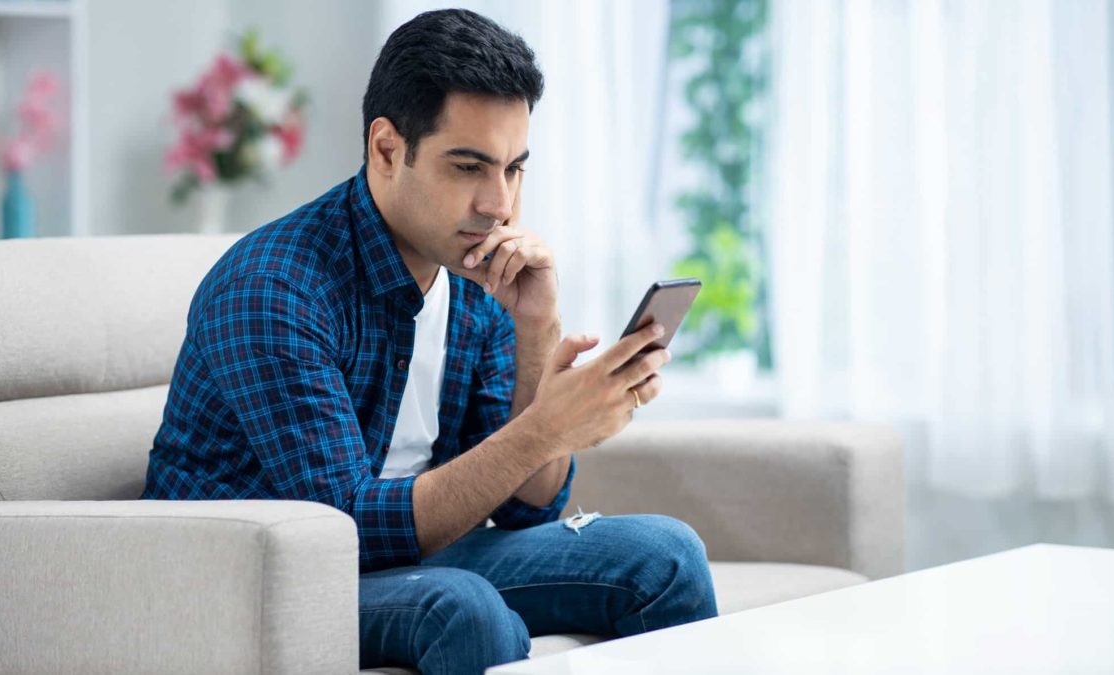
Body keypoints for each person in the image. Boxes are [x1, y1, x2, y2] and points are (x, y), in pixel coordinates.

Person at [142, 8, 717, 673]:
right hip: (261, 578)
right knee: (462, 606)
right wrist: (544, 429)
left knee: (665, 554)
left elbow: (527, 504)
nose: (499, 203)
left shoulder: (476, 275)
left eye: (513, 169)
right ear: (387, 150)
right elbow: (345, 529)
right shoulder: (274, 286)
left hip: (411, 559)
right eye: (469, 166)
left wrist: (537, 328)